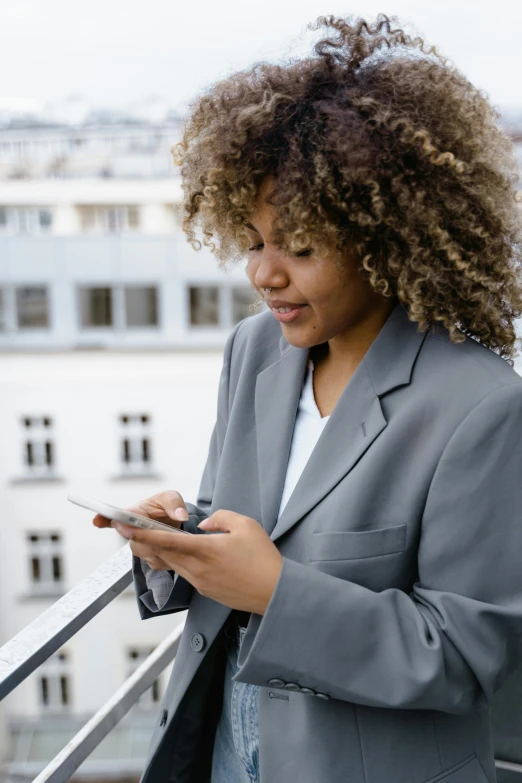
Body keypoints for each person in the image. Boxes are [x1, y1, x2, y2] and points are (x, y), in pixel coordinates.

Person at [93, 13, 522, 783]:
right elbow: (246, 520)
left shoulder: (482, 407)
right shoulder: (253, 351)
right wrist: (179, 538)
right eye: (254, 240)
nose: (265, 274)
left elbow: (463, 656)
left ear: (385, 237)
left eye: (300, 245)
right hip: (228, 745)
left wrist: (277, 590)